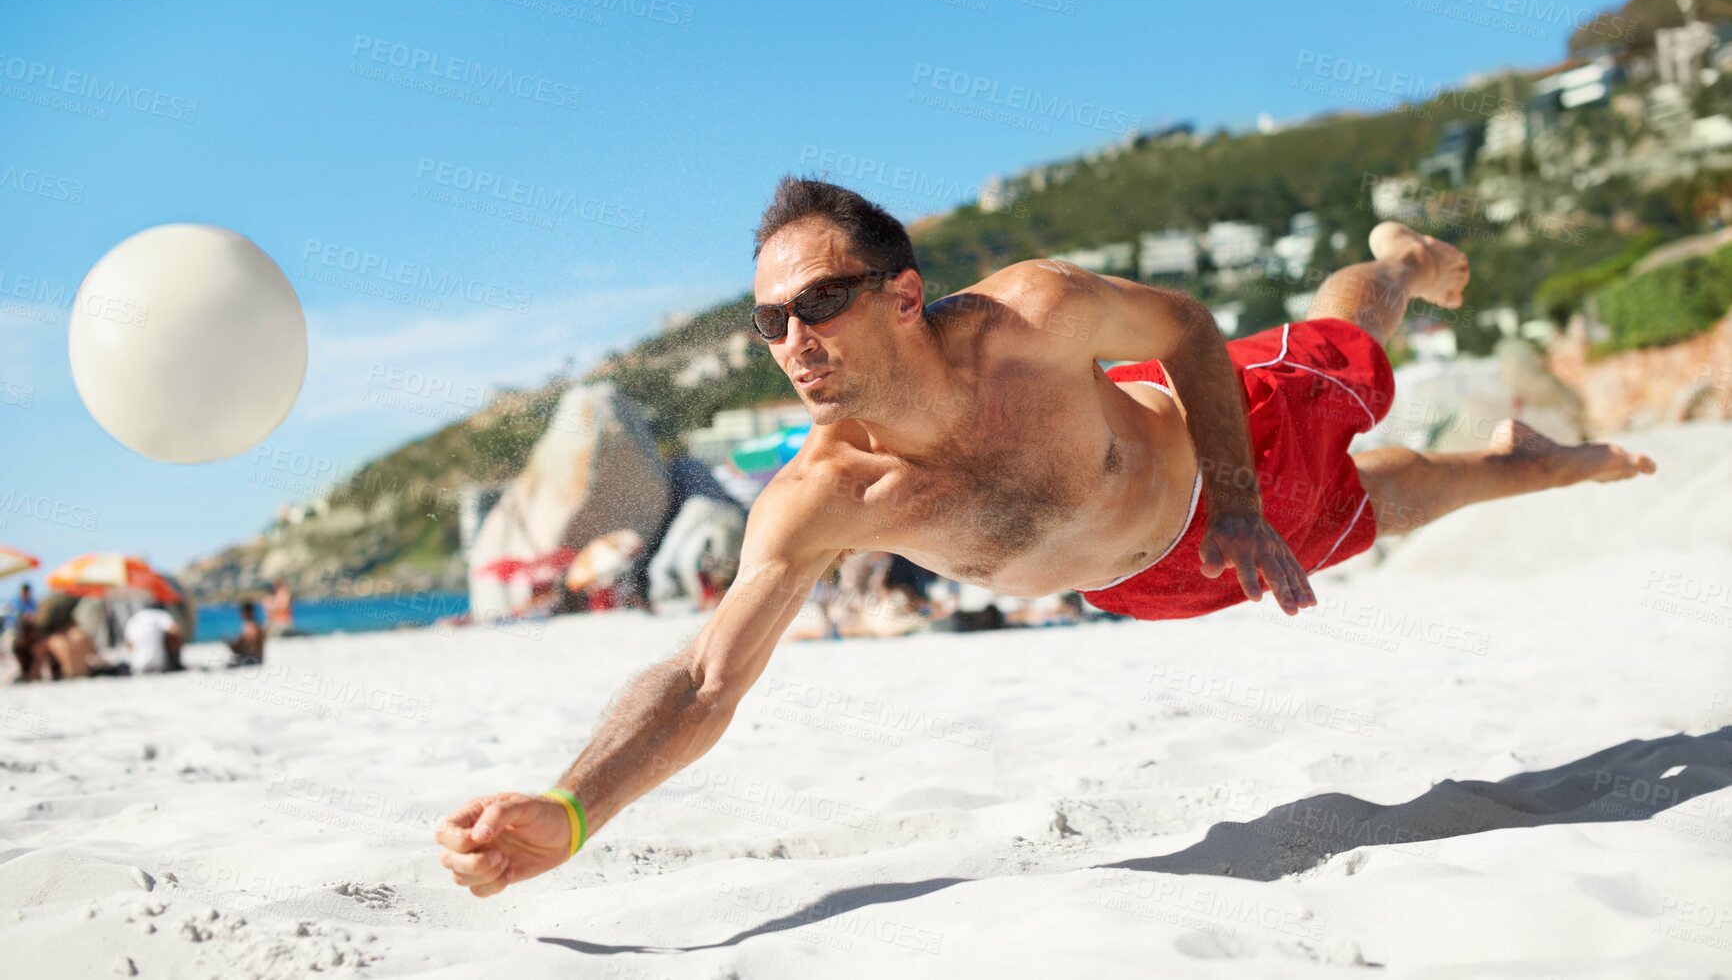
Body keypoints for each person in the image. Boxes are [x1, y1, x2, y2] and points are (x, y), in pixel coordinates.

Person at [436, 176, 1655, 896]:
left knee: (1353, 355)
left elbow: (1182, 323)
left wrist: (1234, 495)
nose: (795, 337)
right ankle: (1514, 464)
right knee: (1371, 513)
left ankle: (1392, 261)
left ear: (902, 295)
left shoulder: (1035, 315)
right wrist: (573, 809)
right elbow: (705, 678)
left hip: (1228, 456)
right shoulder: (818, 500)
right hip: (1148, 582)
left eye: (819, 301)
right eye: (769, 322)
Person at [124, 602, 183, 675]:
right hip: (160, 664)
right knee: (172, 638)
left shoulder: (134, 619)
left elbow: (129, 645)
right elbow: (175, 631)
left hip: (137, 666)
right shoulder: (162, 615)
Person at [228, 601, 265, 665]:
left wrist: (234, 646)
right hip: (254, 658)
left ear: (248, 611)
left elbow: (251, 648)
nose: (241, 614)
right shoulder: (249, 625)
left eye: (242, 611)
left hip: (254, 659)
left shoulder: (253, 627)